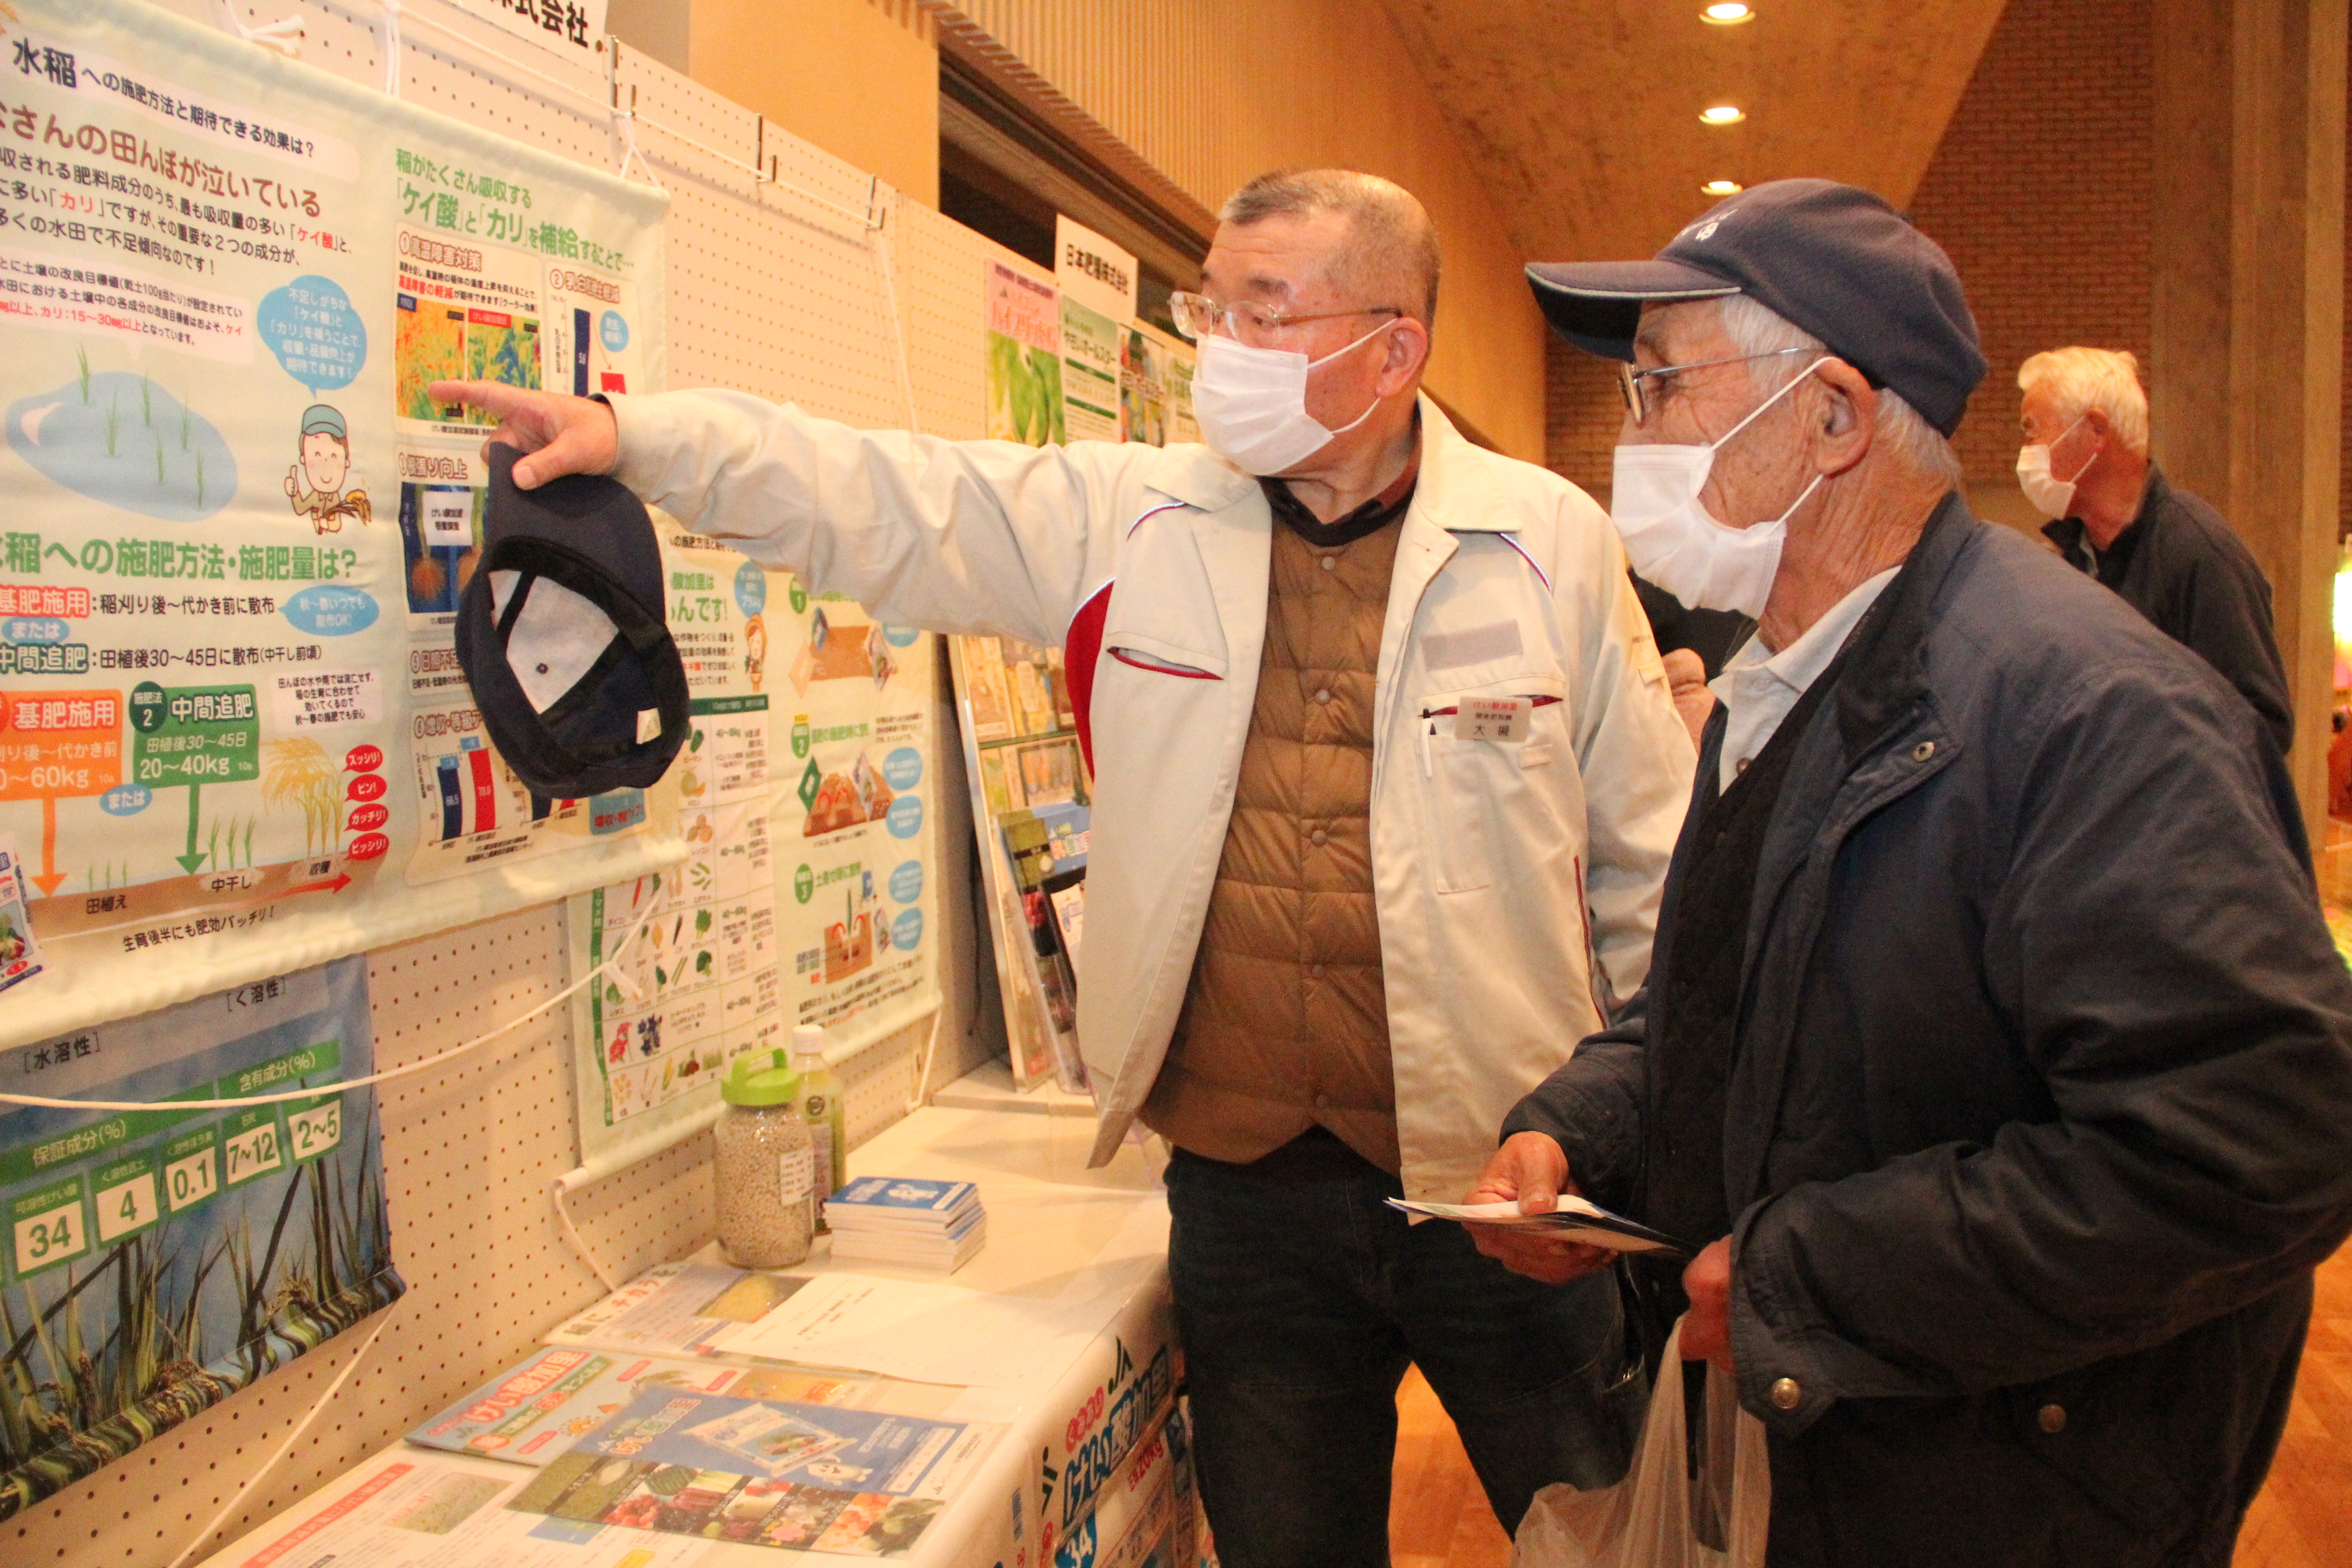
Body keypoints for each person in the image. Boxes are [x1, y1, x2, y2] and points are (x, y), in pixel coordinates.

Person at [434, 167, 1695, 1566]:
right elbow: (888, 498)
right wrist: (639, 440)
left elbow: (1657, 877)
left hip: (1503, 1185)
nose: (1222, 347)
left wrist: (1619, 1149)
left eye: (1266, 313)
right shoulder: (1136, 518)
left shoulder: (1547, 545)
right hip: (1246, 1188)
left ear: (1394, 350)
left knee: (1601, 1536)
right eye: (1213, 308)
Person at [1472, 178, 2352, 1567]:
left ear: (1828, 416)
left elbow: (2256, 1145)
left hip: (2003, 1493)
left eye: (1658, 392)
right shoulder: (1788, 687)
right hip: (1830, 1459)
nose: (1628, 444)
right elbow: (1738, 1000)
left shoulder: (2087, 710)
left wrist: (1805, 1280)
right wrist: (1583, 1132)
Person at [2016, 346, 2292, 753]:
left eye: (2032, 429)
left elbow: (2263, 727)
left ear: (2095, 432)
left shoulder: (2200, 553)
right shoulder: (2072, 558)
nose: (2025, 452)